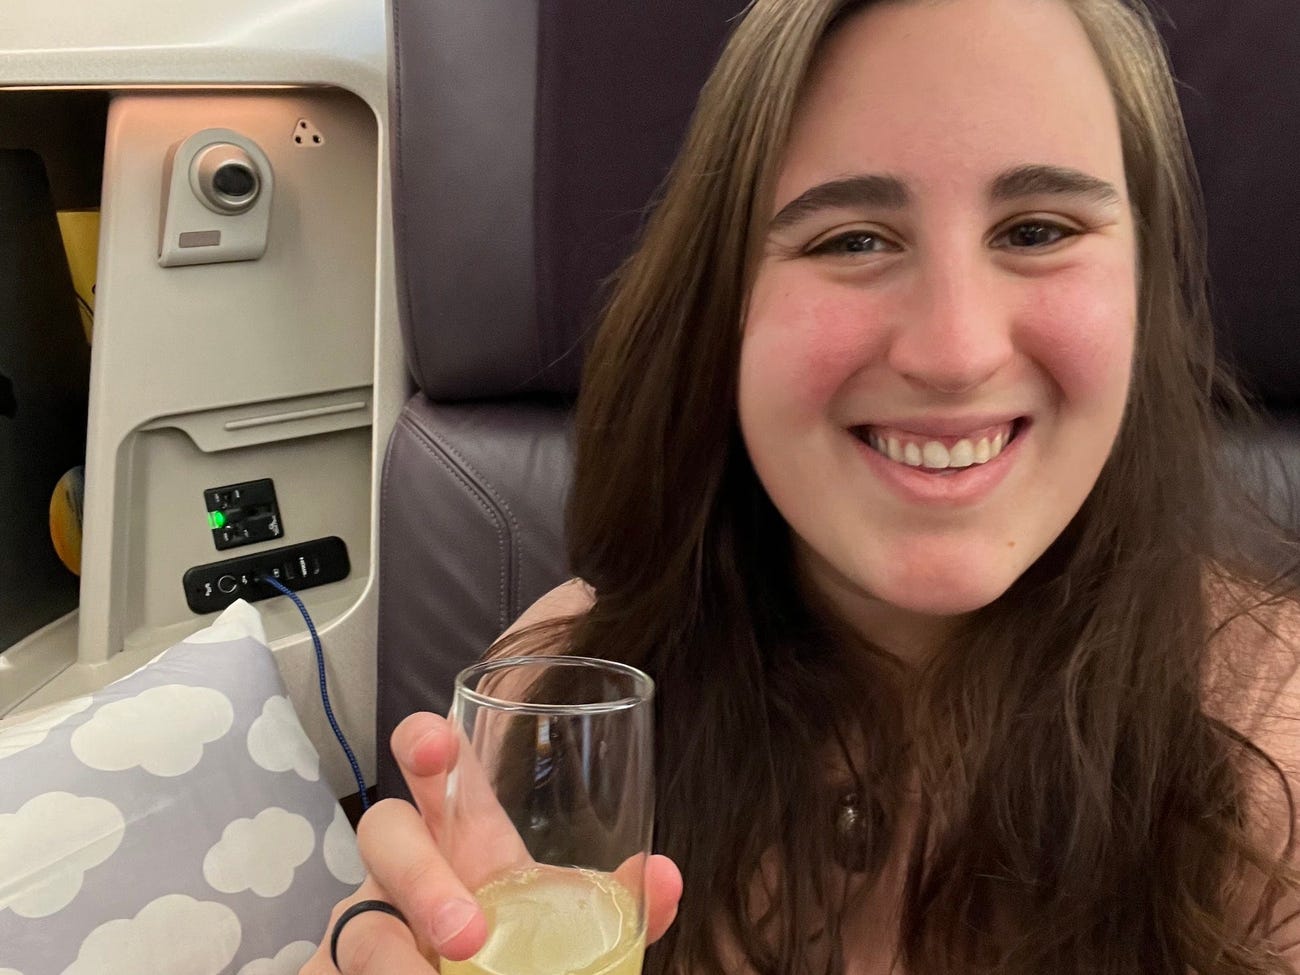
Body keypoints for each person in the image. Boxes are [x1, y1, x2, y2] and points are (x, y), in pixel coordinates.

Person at [304, 0, 1300, 971]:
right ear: (724, 311)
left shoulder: (1276, 736)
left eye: (1037, 231)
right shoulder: (564, 683)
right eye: (851, 240)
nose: (953, 352)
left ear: (1143, 295)